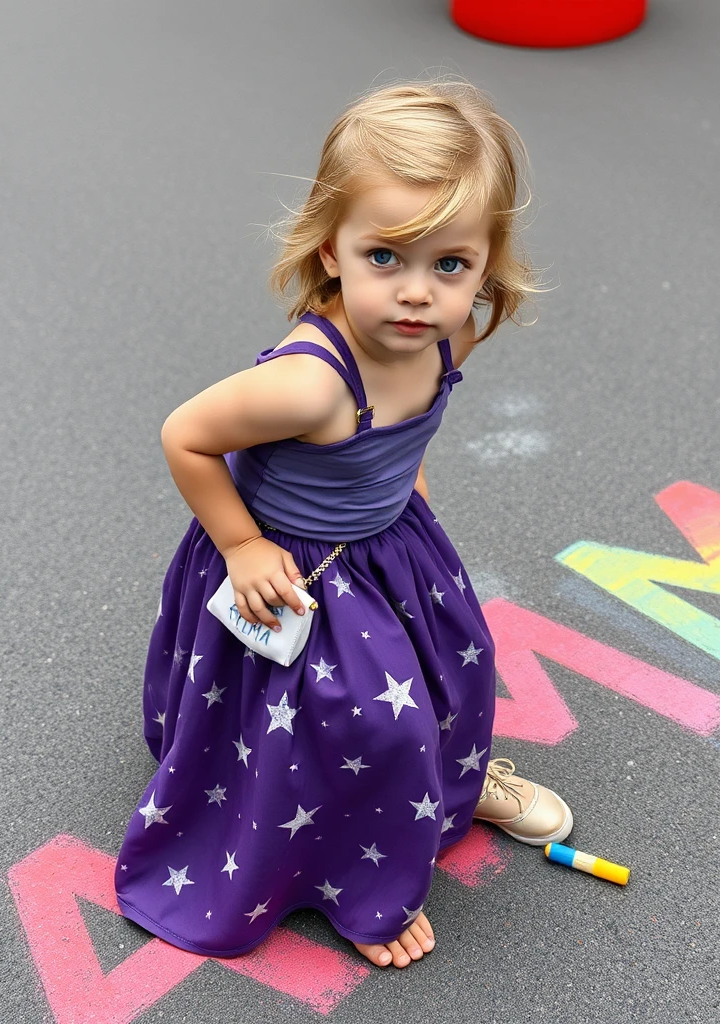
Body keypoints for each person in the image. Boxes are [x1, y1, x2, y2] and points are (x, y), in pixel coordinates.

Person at [113, 79, 573, 971]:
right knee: (361, 723)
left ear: (486, 262)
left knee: (450, 679)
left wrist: (413, 516)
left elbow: (410, 434)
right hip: (291, 570)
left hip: (394, 548)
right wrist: (242, 547)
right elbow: (186, 437)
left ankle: (449, 787)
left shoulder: (455, 335)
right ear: (332, 249)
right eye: (385, 257)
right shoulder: (311, 382)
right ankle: (356, 880)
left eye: (450, 264)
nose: (417, 294)